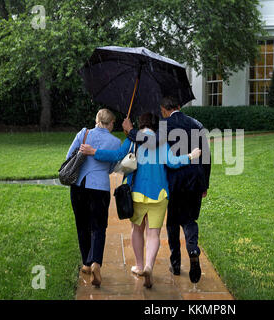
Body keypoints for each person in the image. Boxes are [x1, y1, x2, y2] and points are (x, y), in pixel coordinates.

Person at [80, 112, 201, 288]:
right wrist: (190, 156)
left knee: (137, 230)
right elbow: (173, 162)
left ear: (140, 123)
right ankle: (149, 267)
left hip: (136, 193)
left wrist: (94, 151)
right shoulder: (161, 141)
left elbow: (116, 156)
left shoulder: (132, 140)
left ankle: (138, 265)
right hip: (159, 195)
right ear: (155, 125)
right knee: (153, 233)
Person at [122, 96, 211, 284]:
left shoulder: (163, 126)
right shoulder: (197, 124)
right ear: (179, 106)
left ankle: (176, 263)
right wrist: (205, 184)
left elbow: (149, 142)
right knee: (189, 219)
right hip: (195, 179)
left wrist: (130, 131)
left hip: (174, 179)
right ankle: (193, 249)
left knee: (172, 221)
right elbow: (207, 157)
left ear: (163, 109)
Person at [66, 108, 121, 287]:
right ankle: (96, 261)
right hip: (100, 188)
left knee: (82, 225)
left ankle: (86, 263)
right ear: (111, 123)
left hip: (79, 186)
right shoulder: (115, 142)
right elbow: (112, 166)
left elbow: (69, 157)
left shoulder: (83, 133)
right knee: (99, 227)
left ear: (97, 120)